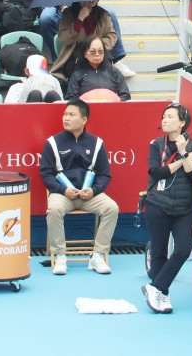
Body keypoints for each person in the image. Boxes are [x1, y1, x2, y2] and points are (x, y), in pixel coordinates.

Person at [40, 99, 119, 276]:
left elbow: (105, 174)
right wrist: (62, 190)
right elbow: (46, 174)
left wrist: (94, 190)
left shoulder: (96, 143)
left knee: (111, 208)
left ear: (84, 120)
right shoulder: (52, 143)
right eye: (65, 114)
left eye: (71, 115)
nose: (66, 118)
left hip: (89, 195)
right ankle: (60, 256)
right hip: (63, 194)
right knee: (53, 209)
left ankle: (98, 255)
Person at [142, 103, 192, 313]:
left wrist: (184, 152)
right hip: (158, 204)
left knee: (183, 249)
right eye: (163, 117)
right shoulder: (156, 144)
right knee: (159, 253)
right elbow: (156, 172)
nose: (164, 120)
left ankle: (156, 288)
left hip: (184, 208)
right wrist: (181, 161)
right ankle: (162, 296)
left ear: (182, 122)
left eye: (170, 117)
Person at [52, 0, 118, 79]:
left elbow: (112, 35)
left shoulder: (102, 14)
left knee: (107, 71)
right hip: (76, 57)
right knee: (81, 74)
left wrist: (98, 46)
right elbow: (65, 40)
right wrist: (80, 19)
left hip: (98, 55)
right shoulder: (69, 14)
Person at [65, 36, 131, 102]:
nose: (97, 54)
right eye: (93, 51)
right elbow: (71, 98)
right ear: (85, 53)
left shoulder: (114, 72)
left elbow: (125, 95)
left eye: (100, 51)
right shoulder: (77, 74)